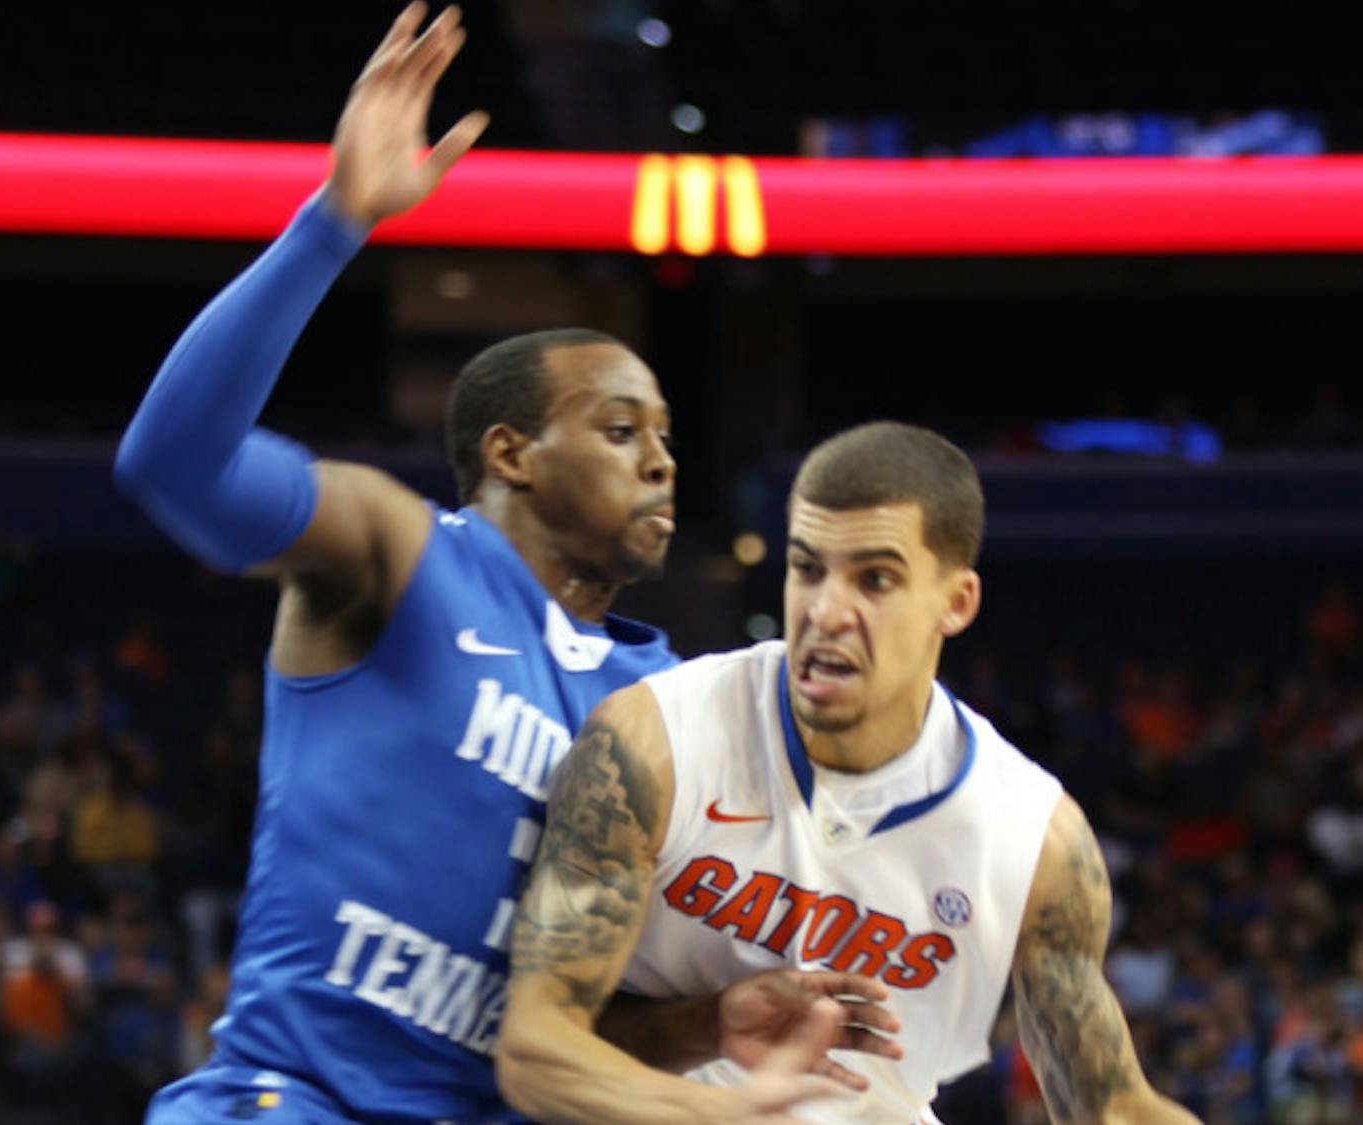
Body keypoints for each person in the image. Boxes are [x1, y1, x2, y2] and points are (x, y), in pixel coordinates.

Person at [116, 6, 891, 1122]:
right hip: (289, 1100)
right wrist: (333, 224)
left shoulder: (666, 702)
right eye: (623, 431)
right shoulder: (397, 553)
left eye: (668, 437)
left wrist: (697, 1027)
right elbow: (173, 466)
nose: (663, 464)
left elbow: (557, 1025)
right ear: (511, 453)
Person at [499, 421, 1203, 1124]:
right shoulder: (653, 742)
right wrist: (707, 1041)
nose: (827, 610)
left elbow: (1112, 1109)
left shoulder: (1033, 840)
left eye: (875, 579)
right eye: (807, 568)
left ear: (955, 602)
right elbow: (537, 1048)